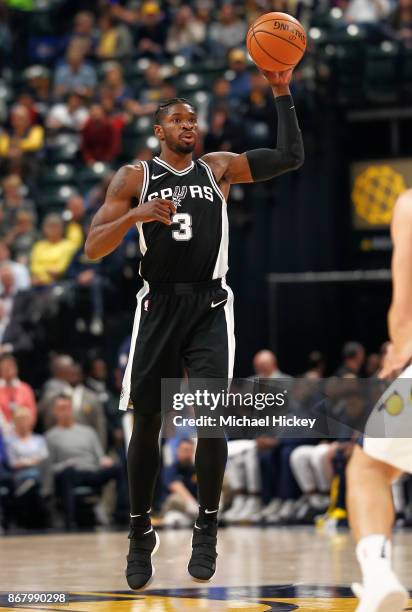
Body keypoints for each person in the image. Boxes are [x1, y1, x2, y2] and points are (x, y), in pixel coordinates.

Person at [85, 65, 304, 590]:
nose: (189, 125)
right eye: (177, 120)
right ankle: (141, 532)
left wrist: (280, 89)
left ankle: (207, 524)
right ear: (158, 131)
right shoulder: (135, 177)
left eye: (193, 119)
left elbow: (291, 157)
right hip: (157, 305)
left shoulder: (219, 169)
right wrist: (137, 215)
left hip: (210, 304)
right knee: (146, 426)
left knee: (212, 416)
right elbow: (93, 246)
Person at [346, 190, 412, 612]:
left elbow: (404, 306)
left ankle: (379, 575)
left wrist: (399, 352)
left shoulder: (409, 205)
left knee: (367, 467)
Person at [46, 394, 127, 529]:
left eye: (67, 407)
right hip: (70, 473)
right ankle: (70, 520)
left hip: (92, 471)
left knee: (118, 468)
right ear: (55, 412)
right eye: (61, 408)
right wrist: (65, 465)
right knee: (68, 474)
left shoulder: (88, 431)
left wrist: (104, 460)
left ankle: (122, 515)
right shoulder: (51, 437)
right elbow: (50, 468)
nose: (65, 411)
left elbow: (99, 456)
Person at [161, 438, 198, 527]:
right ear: (178, 451)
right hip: (174, 505)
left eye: (190, 450)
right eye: (185, 450)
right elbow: (176, 486)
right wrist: (192, 504)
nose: (187, 453)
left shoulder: (195, 470)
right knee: (176, 497)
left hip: (192, 509)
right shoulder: (170, 469)